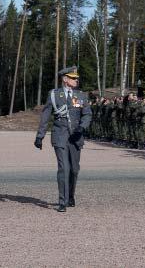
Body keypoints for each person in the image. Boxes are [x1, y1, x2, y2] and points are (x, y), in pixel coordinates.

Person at [34, 66, 92, 213]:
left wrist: (82, 128)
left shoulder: (81, 95)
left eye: (77, 78)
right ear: (65, 79)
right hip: (60, 135)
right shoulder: (54, 95)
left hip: (76, 137)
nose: (76, 80)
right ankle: (62, 201)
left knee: (74, 169)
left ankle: (70, 195)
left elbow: (87, 114)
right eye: (73, 78)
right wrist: (40, 136)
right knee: (63, 168)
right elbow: (46, 115)